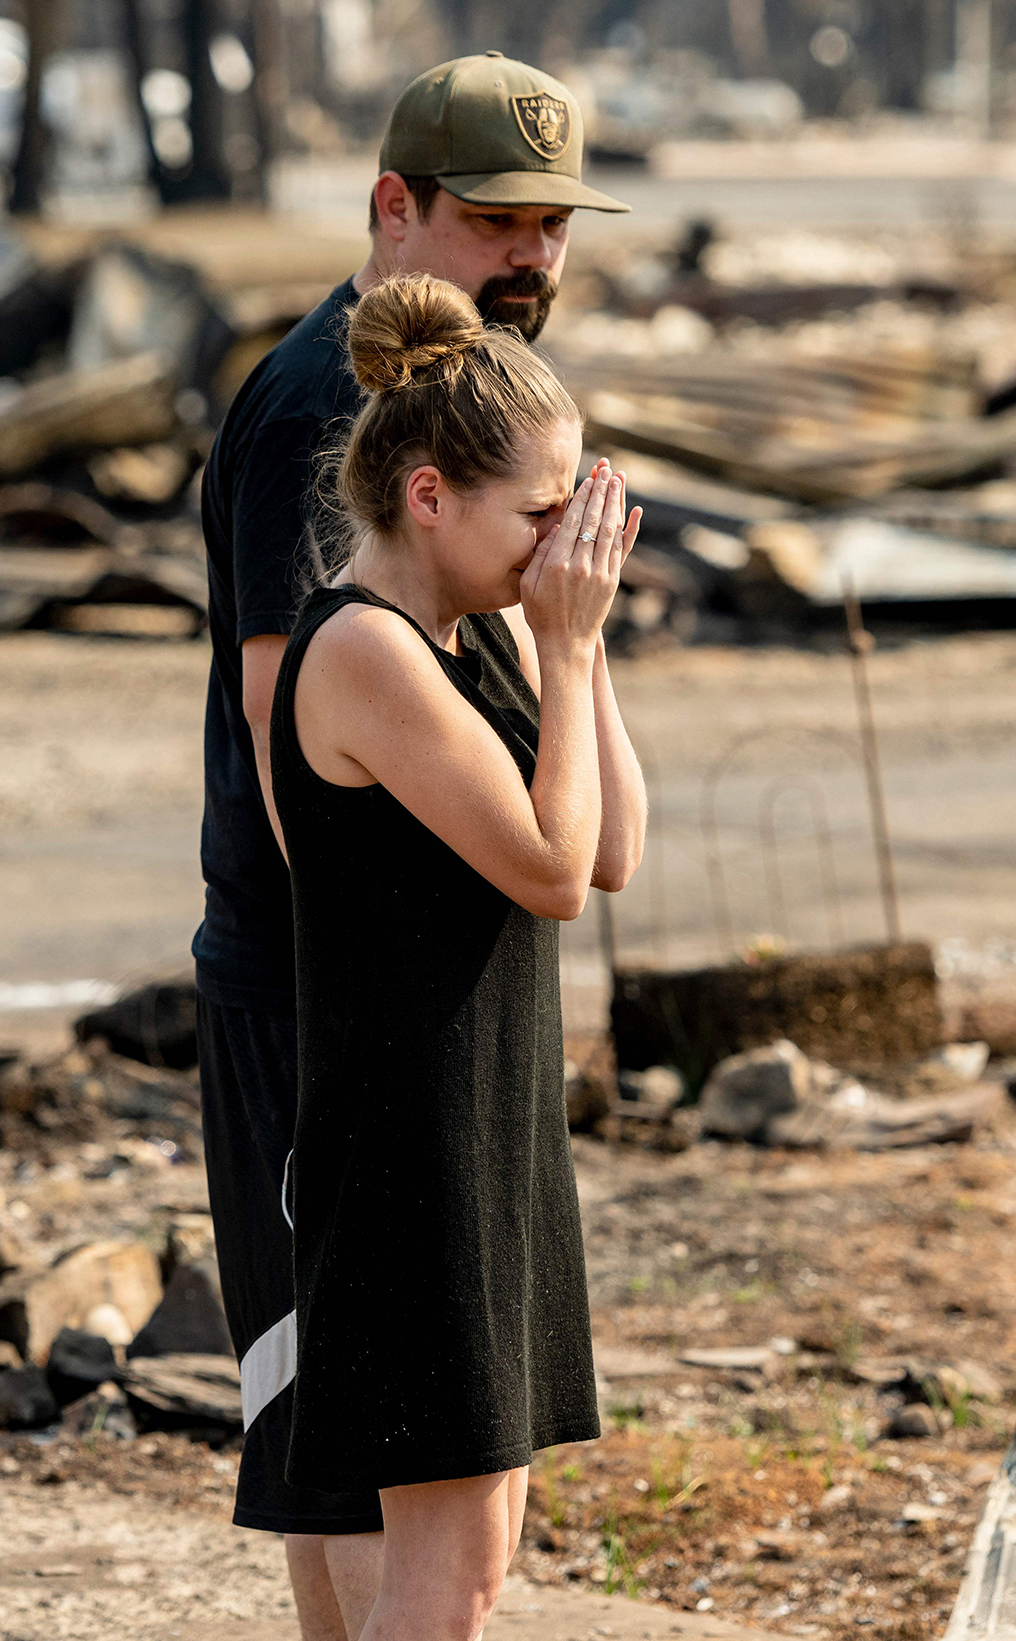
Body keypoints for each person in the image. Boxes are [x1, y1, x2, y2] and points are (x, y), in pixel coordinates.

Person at [190, 51, 628, 1641]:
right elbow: (284, 730)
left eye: (552, 226)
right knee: (365, 1503)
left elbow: (590, 842)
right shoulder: (330, 408)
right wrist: (382, 972)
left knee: (443, 1536)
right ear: (396, 208)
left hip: (451, 1044)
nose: (533, 258)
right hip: (334, 1016)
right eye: (498, 221)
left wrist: (570, 638)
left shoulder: (480, 467)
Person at [274, 271, 645, 1641]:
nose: (561, 546)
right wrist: (567, 646)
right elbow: (550, 869)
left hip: (487, 1139)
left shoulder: (476, 633)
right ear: (428, 496)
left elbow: (613, 848)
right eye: (540, 517)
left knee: (466, 1566)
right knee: (445, 1587)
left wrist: (575, 647)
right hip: (412, 1154)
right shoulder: (366, 652)